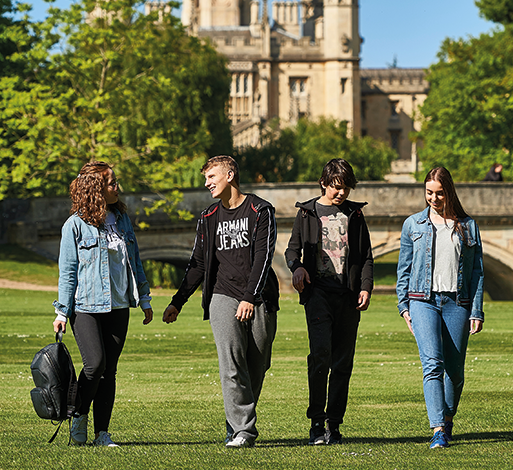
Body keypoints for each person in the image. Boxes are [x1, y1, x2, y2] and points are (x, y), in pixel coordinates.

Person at [162, 155, 279, 448]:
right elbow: (198, 264)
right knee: (231, 362)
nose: (207, 184)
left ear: (229, 175)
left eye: (211, 177)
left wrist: (250, 297)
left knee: (257, 365)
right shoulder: (208, 217)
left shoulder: (260, 210)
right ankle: (243, 431)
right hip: (222, 294)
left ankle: (236, 419)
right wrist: (178, 301)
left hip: (260, 296)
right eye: (206, 178)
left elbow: (264, 258)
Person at [52, 161, 153, 447]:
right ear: (96, 189)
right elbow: (68, 271)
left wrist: (144, 298)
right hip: (86, 306)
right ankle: (79, 417)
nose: (116, 187)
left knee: (110, 370)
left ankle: (102, 433)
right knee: (95, 365)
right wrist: (62, 311)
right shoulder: (74, 226)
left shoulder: (121, 220)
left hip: (119, 305)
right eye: (111, 183)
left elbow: (135, 261)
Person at [285, 158, 374, 446]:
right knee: (320, 355)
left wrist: (365, 287)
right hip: (318, 295)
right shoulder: (307, 213)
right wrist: (297, 267)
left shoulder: (355, 215)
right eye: (337, 187)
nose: (342, 193)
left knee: (343, 362)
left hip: (347, 297)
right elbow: (291, 251)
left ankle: (334, 424)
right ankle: (316, 422)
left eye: (346, 188)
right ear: (324, 183)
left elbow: (366, 257)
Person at [396, 167, 484, 449]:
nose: (433, 198)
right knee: (432, 364)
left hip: (457, 303)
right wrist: (404, 306)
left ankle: (447, 418)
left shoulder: (468, 226)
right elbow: (404, 269)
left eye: (439, 193)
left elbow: (477, 272)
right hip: (422, 300)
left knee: (455, 372)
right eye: (429, 193)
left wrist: (476, 310)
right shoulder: (413, 225)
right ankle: (437, 429)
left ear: (450, 192)